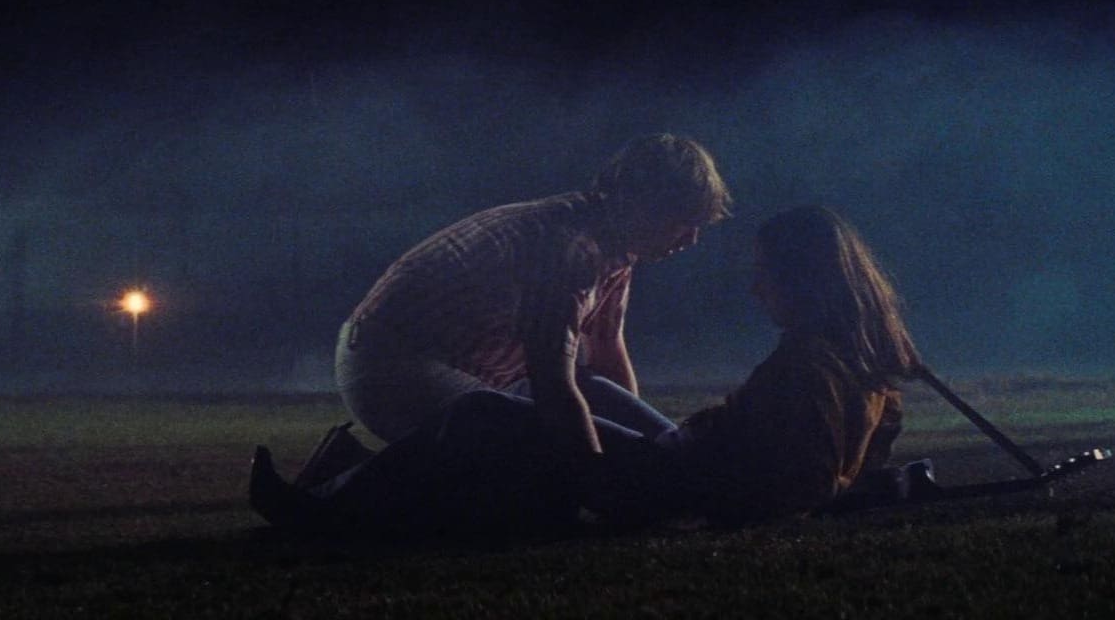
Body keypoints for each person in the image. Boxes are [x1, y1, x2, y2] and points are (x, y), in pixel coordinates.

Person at [251, 205, 921, 535]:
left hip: (683, 483)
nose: (755, 288)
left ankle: (325, 505)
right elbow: (854, 454)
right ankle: (345, 481)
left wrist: (634, 483)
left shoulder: (809, 363)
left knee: (481, 410)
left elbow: (795, 482)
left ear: (799, 279)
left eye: (764, 274)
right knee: (583, 388)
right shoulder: (849, 355)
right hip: (690, 461)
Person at [334, 133, 732, 466]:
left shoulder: (613, 247)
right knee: (525, 441)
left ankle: (681, 465)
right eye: (683, 221)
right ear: (641, 203)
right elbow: (551, 382)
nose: (691, 239)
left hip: (455, 368)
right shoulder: (570, 249)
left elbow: (606, 349)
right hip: (391, 363)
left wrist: (647, 447)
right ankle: (346, 484)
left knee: (585, 399)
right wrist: (599, 472)